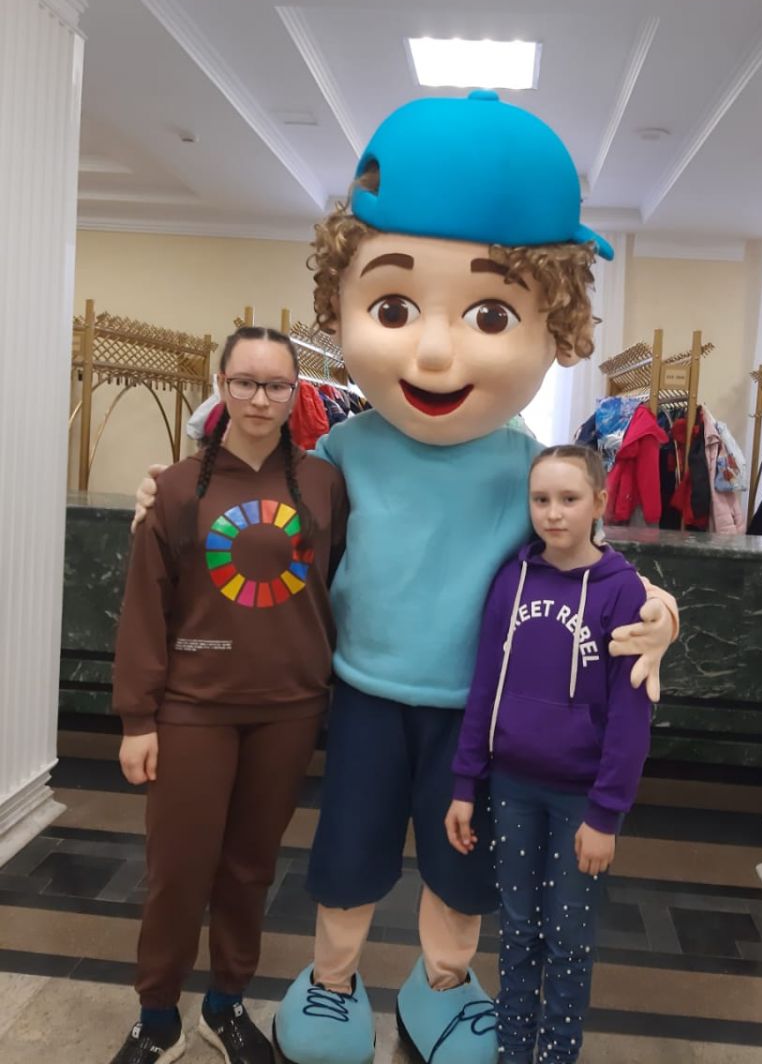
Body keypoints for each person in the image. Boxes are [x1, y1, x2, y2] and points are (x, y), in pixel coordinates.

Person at [132, 91, 678, 1064]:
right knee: (350, 847)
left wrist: (656, 609)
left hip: (481, 708)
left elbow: (585, 553)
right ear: (340, 304)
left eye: (490, 314)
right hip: (364, 693)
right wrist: (171, 495)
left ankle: (443, 984)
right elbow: (262, 518)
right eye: (392, 307)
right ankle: (334, 978)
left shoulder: (528, 468)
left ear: (553, 326)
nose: (432, 349)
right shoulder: (338, 453)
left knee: (461, 862)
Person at [110, 326, 347, 1064]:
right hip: (192, 707)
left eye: (276, 385)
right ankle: (157, 1016)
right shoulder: (177, 488)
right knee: (178, 868)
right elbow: (145, 605)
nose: (260, 398)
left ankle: (225, 1002)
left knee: (250, 867)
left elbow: (354, 578)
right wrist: (137, 719)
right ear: (221, 385)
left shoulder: (325, 483)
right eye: (245, 381)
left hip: (289, 707)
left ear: (296, 393)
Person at [446, 445, 653, 1064]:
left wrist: (606, 813)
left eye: (569, 499)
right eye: (541, 500)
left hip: (580, 801)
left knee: (568, 939)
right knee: (517, 930)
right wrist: (465, 783)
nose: (553, 513)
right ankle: (513, 1050)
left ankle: (557, 1053)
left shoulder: (622, 593)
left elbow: (631, 714)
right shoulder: (511, 580)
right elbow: (485, 685)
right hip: (512, 787)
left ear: (600, 503)